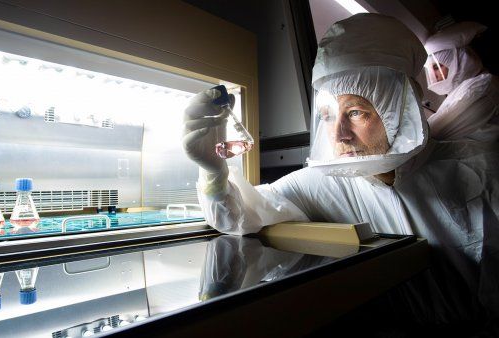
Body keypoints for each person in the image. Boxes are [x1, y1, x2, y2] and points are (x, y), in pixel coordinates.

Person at [183, 13, 499, 330]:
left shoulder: (476, 168)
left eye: (356, 112)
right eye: (328, 115)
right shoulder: (326, 183)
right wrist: (213, 171)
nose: (338, 135)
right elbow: (239, 217)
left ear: (401, 107)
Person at [424, 22, 499, 142]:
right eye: (430, 70)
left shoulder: (481, 86)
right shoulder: (467, 86)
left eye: (437, 67)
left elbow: (433, 133)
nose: (434, 75)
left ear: (459, 60)